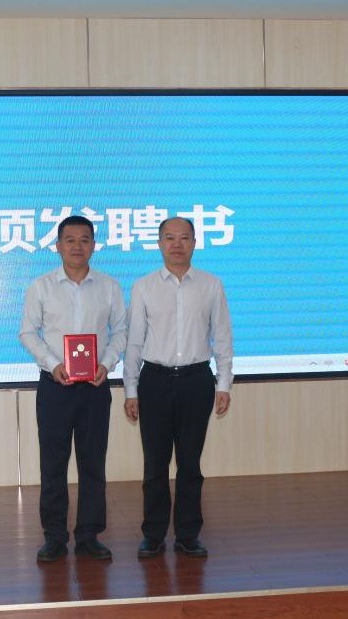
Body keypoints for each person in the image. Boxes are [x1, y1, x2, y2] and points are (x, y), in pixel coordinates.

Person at [123, 216, 233, 559]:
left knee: (190, 464)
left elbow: (223, 338)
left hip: (197, 380)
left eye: (184, 237)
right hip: (154, 381)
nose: (176, 244)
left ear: (195, 242)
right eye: (169, 238)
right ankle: (153, 534)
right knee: (155, 464)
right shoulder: (143, 286)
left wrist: (224, 383)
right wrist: (130, 389)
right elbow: (134, 342)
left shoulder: (211, 285)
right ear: (159, 243)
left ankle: (188, 534)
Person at [19, 215, 127, 562]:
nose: (77, 246)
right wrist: (53, 364)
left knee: (93, 463)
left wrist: (106, 363)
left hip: (95, 386)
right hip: (55, 387)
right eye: (70, 240)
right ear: (58, 246)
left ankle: (89, 536)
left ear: (94, 245)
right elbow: (27, 333)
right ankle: (54, 537)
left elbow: (121, 331)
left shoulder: (109, 287)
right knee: (53, 464)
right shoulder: (41, 287)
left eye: (84, 240)